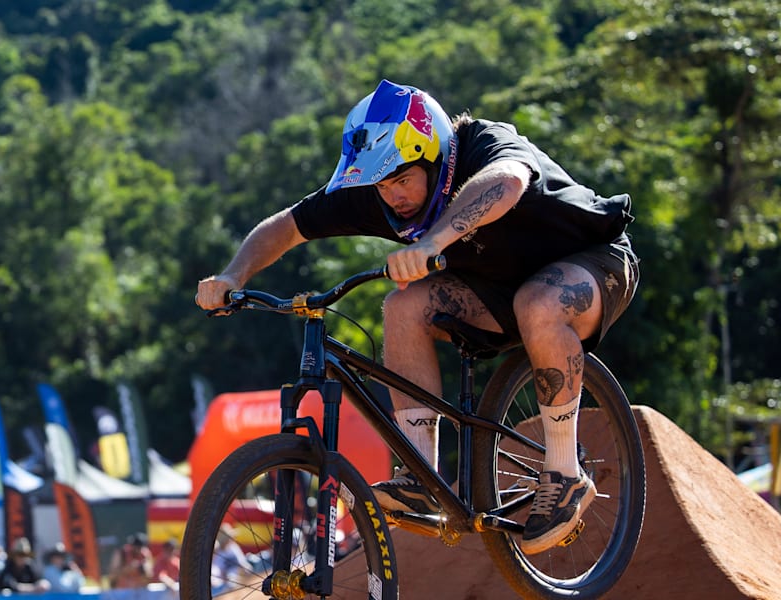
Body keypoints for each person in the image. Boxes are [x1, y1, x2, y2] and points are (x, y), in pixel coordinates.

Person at [196, 79, 638, 555]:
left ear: (436, 156)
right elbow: (287, 226)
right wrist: (232, 275)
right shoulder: (379, 192)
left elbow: (507, 181)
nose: (393, 197)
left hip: (593, 262)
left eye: (403, 180)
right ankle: (420, 477)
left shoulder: (482, 145)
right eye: (382, 185)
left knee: (538, 302)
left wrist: (432, 243)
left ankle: (565, 471)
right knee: (403, 306)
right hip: (497, 293)